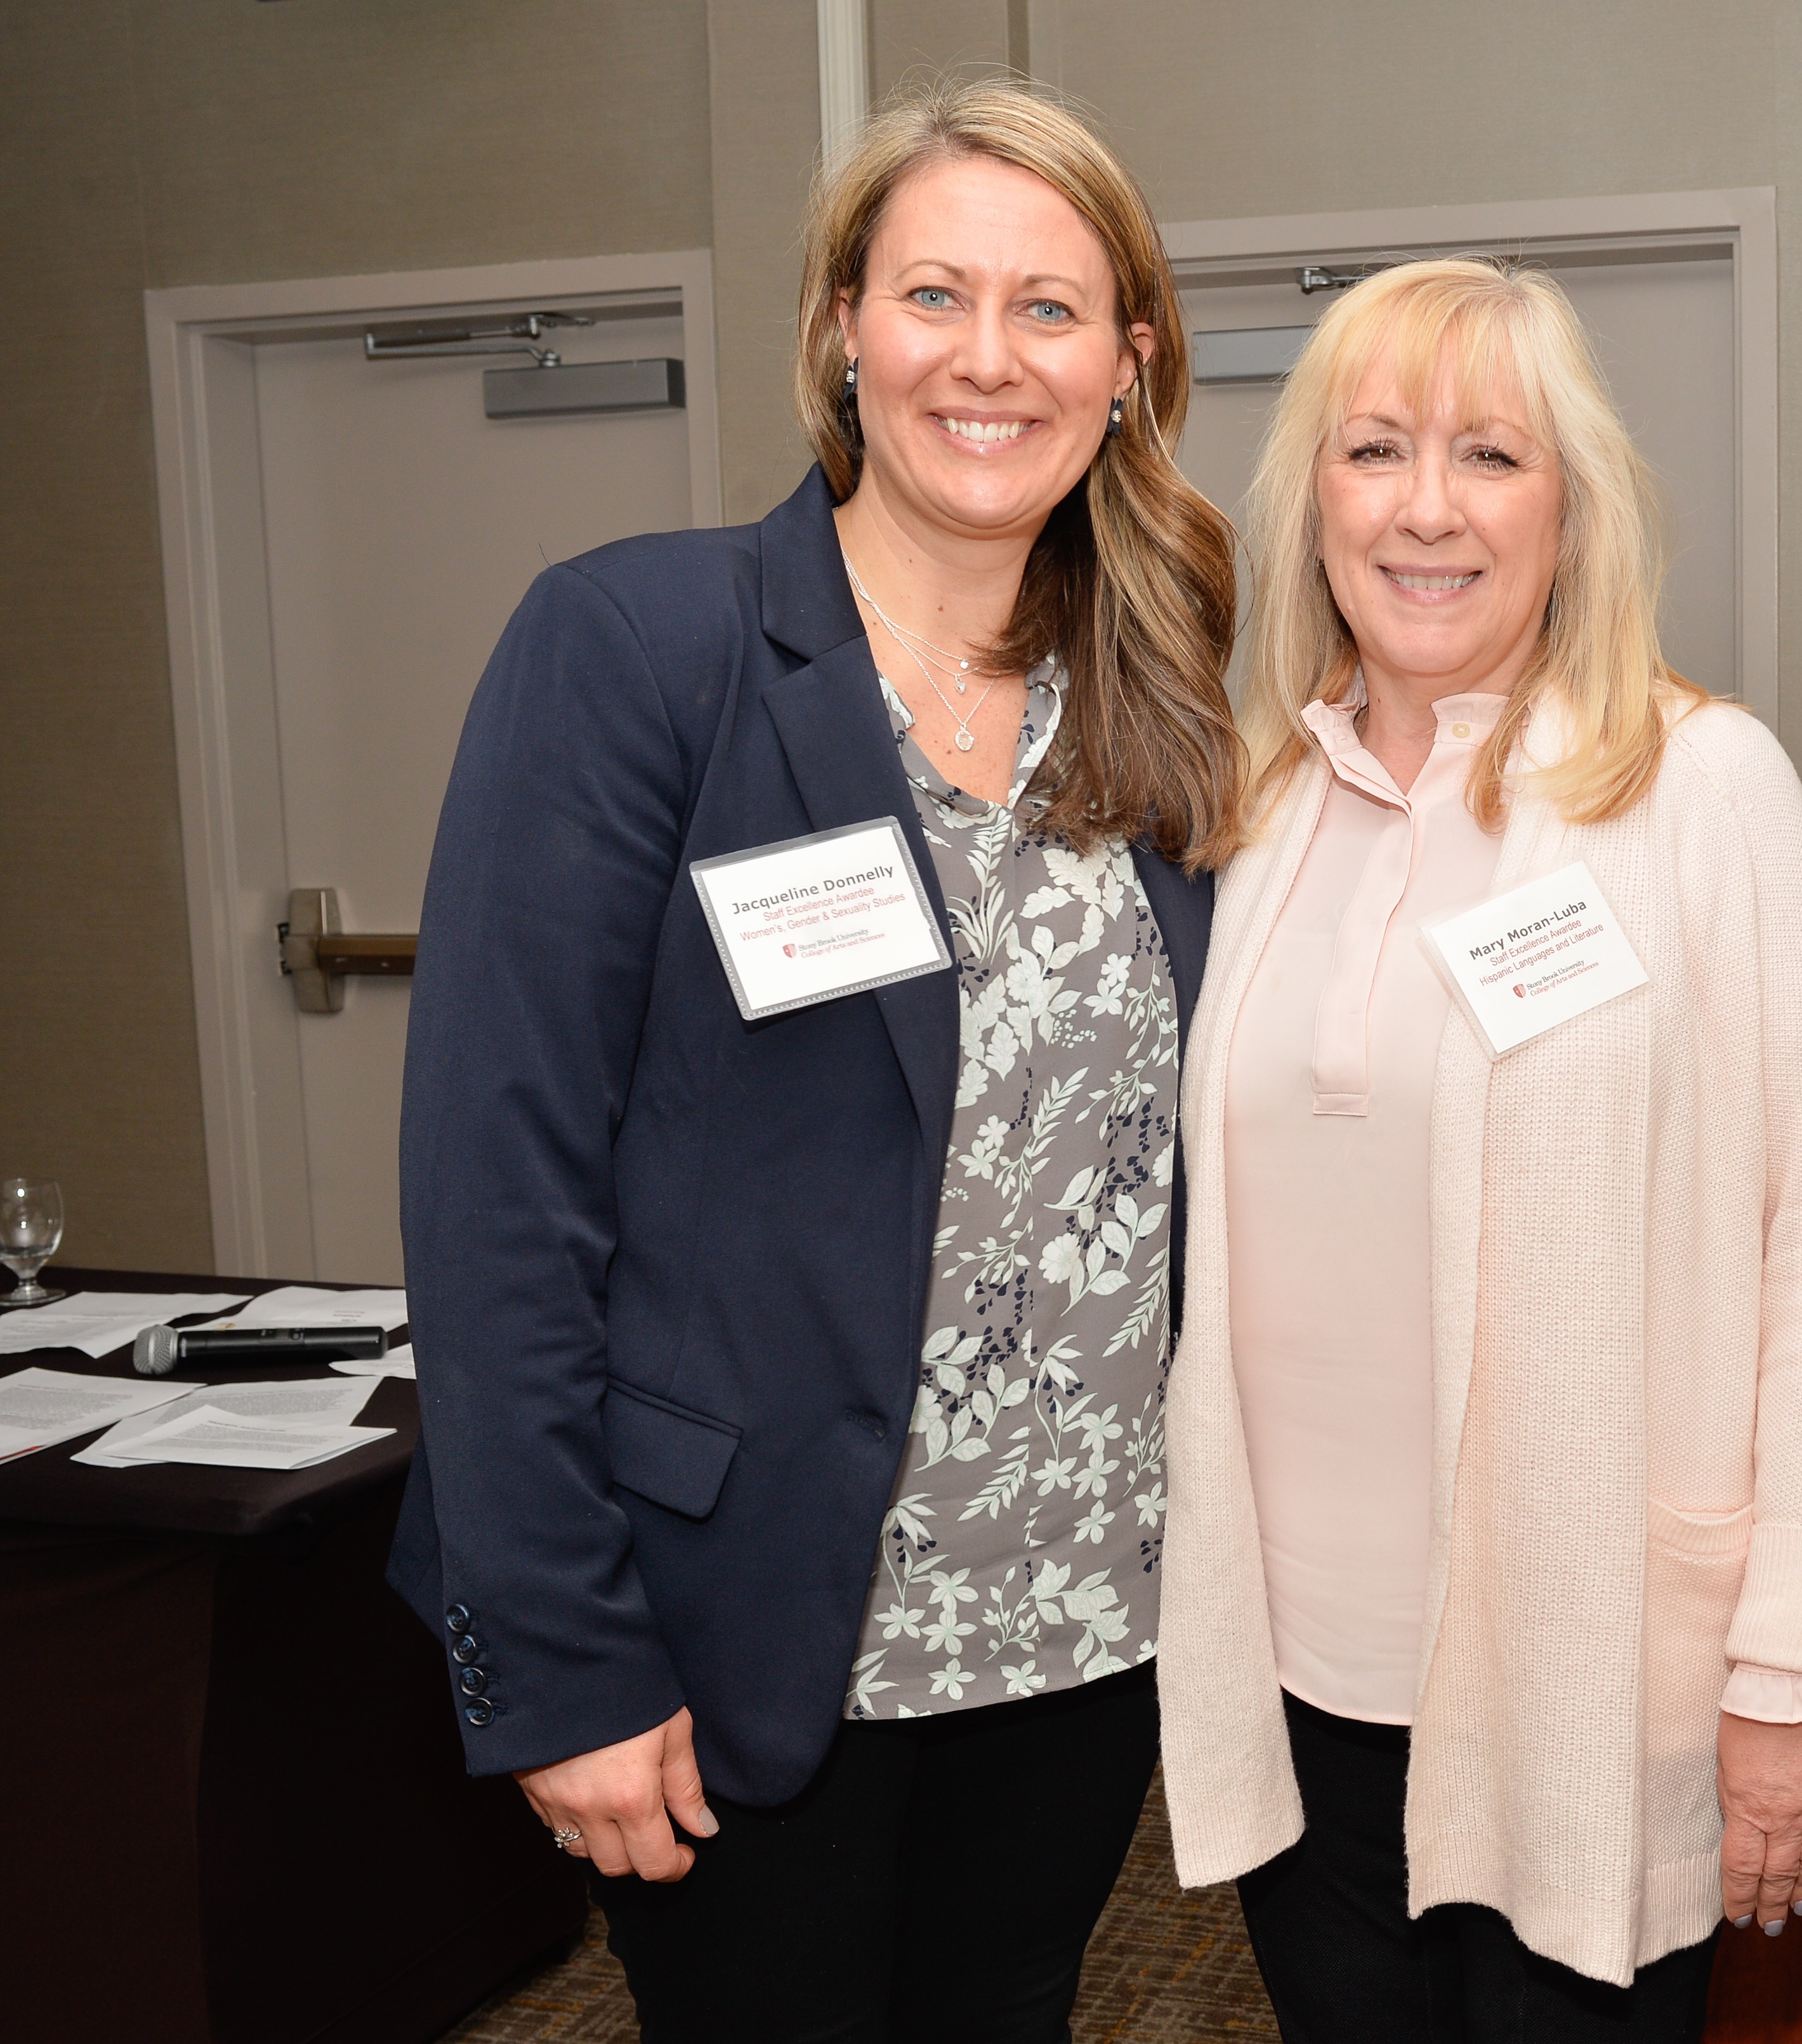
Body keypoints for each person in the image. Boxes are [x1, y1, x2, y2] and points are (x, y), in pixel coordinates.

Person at [388, 79, 1243, 2039]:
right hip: (747, 1616)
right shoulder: (642, 646)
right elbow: (495, 1194)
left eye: (1051, 309)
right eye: (933, 292)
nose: (986, 356)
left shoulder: (1164, 684)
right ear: (843, 329)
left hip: (1078, 1616)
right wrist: (563, 1656)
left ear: (1127, 366)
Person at [1152, 258, 1802, 2041]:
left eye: (1490, 456)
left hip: (1591, 1676)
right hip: (1295, 1680)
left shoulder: (1699, 789)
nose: (1427, 509)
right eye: (1376, 451)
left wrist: (1799, 1664)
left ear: (1570, 508)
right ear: (1311, 501)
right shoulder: (1253, 803)